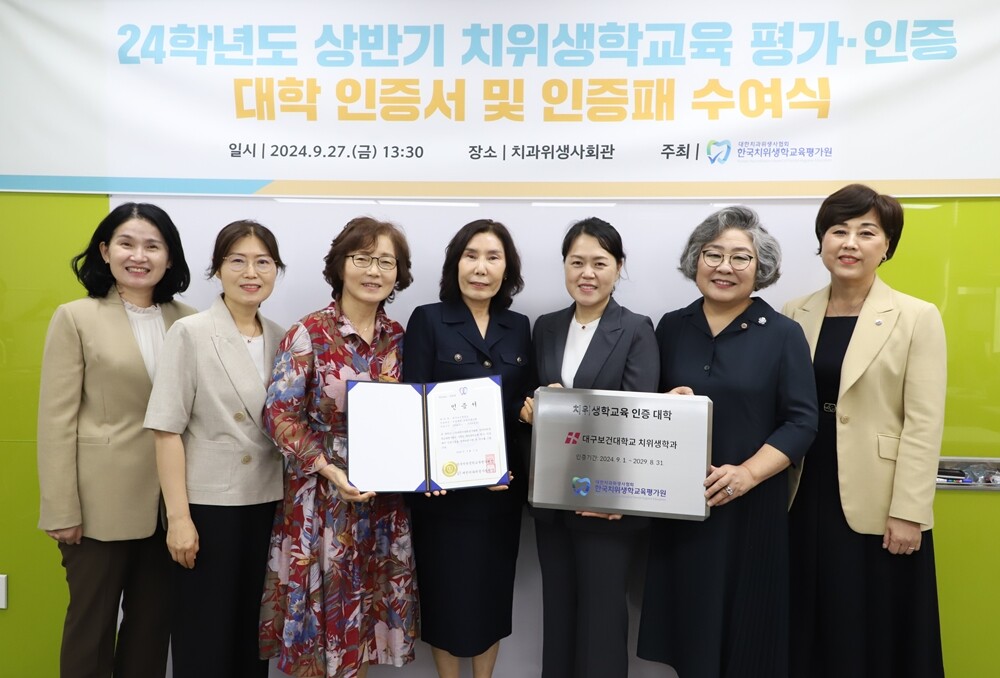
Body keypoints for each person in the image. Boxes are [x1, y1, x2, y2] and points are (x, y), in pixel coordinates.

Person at [637, 206, 817, 678]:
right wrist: (662, 404)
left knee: (748, 640)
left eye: (740, 257)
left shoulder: (783, 334)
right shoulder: (671, 326)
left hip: (750, 511)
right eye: (713, 254)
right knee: (689, 638)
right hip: (682, 508)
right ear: (695, 259)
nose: (724, 267)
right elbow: (645, 408)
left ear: (761, 268)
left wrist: (747, 474)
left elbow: (802, 422)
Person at [782, 184, 946, 677]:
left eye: (866, 232)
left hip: (879, 498)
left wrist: (910, 511)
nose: (850, 243)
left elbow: (923, 422)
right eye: (838, 231)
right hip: (802, 486)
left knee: (869, 627)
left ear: (887, 246)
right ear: (822, 241)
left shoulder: (916, 316)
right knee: (805, 621)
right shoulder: (793, 312)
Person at [37, 202, 193, 678]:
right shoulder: (76, 317)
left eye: (153, 246)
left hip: (172, 507)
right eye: (126, 243)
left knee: (152, 631)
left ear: (169, 256)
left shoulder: (190, 320)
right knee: (91, 630)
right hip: (98, 507)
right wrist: (61, 508)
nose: (138, 256)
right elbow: (56, 419)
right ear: (105, 251)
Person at [259, 217, 418, 678]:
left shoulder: (401, 338)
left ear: (398, 273)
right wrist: (330, 470)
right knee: (322, 630)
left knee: (361, 629)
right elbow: (278, 415)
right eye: (362, 258)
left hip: (383, 500)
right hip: (324, 499)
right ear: (340, 265)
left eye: (385, 261)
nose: (374, 271)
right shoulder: (309, 332)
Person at [144, 220, 286, 678]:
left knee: (252, 640)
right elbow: (166, 430)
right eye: (237, 260)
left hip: (269, 502)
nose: (251, 272)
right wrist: (179, 519)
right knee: (204, 636)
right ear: (218, 269)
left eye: (262, 262)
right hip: (209, 508)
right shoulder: (191, 332)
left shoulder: (283, 336)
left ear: (276, 270)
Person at [519, 217, 658, 678]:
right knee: (557, 614)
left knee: (602, 621)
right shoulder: (547, 327)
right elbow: (533, 403)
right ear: (564, 266)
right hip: (552, 497)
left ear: (618, 267)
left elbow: (634, 419)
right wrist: (531, 411)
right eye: (577, 262)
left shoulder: (636, 328)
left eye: (600, 262)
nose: (587, 273)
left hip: (606, 502)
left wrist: (562, 410)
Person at [402, 219, 531, 678]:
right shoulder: (428, 319)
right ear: (455, 263)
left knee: (491, 599)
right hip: (444, 495)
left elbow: (520, 402)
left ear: (506, 269)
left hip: (501, 491)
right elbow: (414, 403)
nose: (481, 267)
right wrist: (433, 471)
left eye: (493, 257)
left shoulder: (519, 326)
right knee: (445, 601)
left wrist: (531, 409)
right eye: (471, 255)